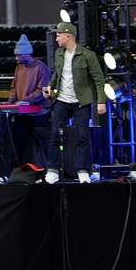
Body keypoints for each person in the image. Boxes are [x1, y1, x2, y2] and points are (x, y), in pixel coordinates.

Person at [44, 22, 107, 184]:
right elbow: (57, 74)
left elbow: (99, 80)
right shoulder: (59, 53)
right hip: (61, 100)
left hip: (81, 101)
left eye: (58, 35)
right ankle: (52, 170)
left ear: (68, 36)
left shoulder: (87, 55)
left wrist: (101, 102)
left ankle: (83, 170)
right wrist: (50, 87)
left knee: (82, 136)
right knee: (55, 135)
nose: (56, 38)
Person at [9, 34, 51, 165]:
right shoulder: (18, 68)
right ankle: (16, 171)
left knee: (40, 145)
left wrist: (26, 100)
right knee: (18, 143)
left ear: (26, 55)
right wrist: (10, 102)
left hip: (39, 113)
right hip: (23, 112)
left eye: (19, 56)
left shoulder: (41, 67)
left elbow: (42, 90)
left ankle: (45, 171)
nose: (16, 58)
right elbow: (14, 87)